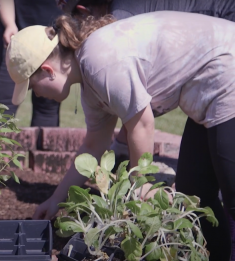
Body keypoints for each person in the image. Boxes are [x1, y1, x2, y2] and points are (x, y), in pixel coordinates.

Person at [6, 12, 235, 260]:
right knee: (196, 192)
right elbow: (94, 145)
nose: (37, 96)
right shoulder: (89, 83)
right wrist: (56, 199)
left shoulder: (98, 60)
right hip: (208, 93)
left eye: (33, 88)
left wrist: (141, 182)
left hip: (227, 73)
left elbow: (142, 124)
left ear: (48, 70)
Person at [55, 0, 235, 162]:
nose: (78, 29)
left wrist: (124, 150)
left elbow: (137, 104)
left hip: (225, 34)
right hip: (208, 66)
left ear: (83, 10)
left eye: (76, 20)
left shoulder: (119, 22)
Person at [0, 0, 62, 141]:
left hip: (54, 41)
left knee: (47, 109)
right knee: (1, 108)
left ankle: (45, 160)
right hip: (16, 40)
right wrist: (9, 23)